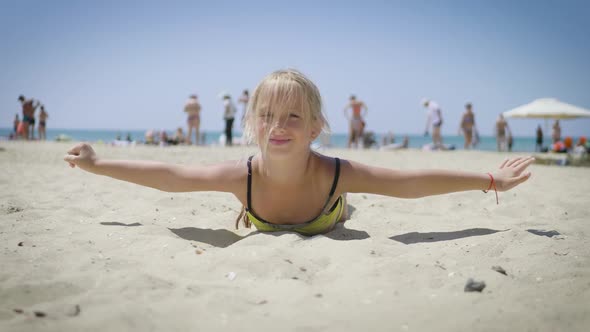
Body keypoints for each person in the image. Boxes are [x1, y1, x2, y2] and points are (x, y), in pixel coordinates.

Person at [64, 69, 534, 236]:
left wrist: (491, 180)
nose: (279, 126)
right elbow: (170, 176)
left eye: (294, 117)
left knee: (352, 206)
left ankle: (346, 209)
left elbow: (409, 183)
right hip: (260, 207)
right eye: (268, 115)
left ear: (317, 127)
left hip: (331, 207)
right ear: (252, 124)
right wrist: (98, 164)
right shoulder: (238, 174)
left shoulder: (336, 171)